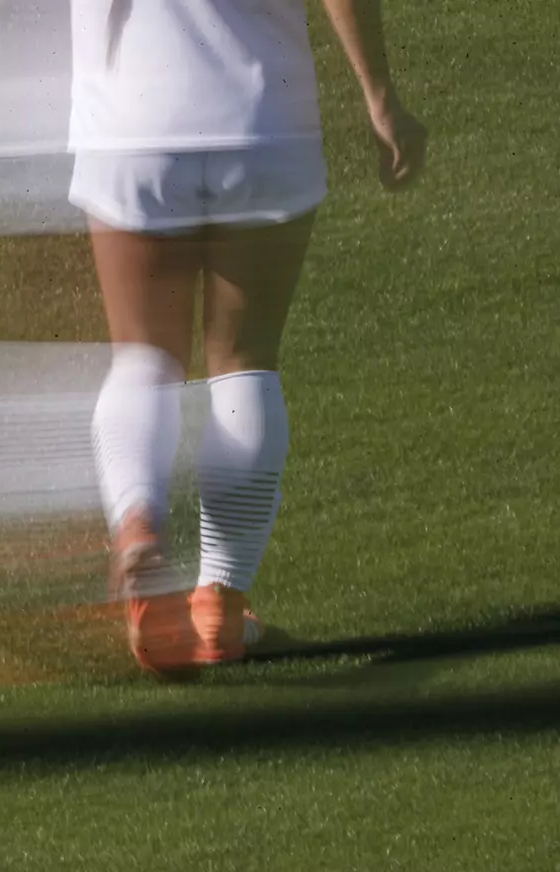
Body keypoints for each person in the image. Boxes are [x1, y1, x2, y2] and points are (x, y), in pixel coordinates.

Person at [71, 0, 429, 674]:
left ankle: (139, 523)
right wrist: (379, 98)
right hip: (264, 118)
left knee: (143, 357)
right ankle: (220, 606)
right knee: (244, 362)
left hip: (131, 120)